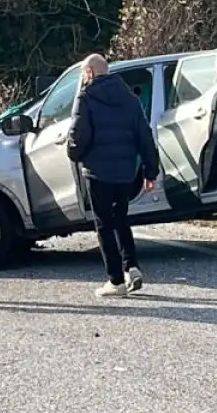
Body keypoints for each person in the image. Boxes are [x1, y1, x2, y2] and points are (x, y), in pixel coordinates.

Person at [68, 53, 159, 297]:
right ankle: (132, 266)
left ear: (89, 73)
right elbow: (145, 136)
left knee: (104, 224)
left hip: (98, 173)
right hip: (126, 173)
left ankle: (115, 280)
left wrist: (73, 153)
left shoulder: (86, 97)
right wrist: (151, 170)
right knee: (121, 218)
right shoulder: (130, 98)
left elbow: (78, 135)